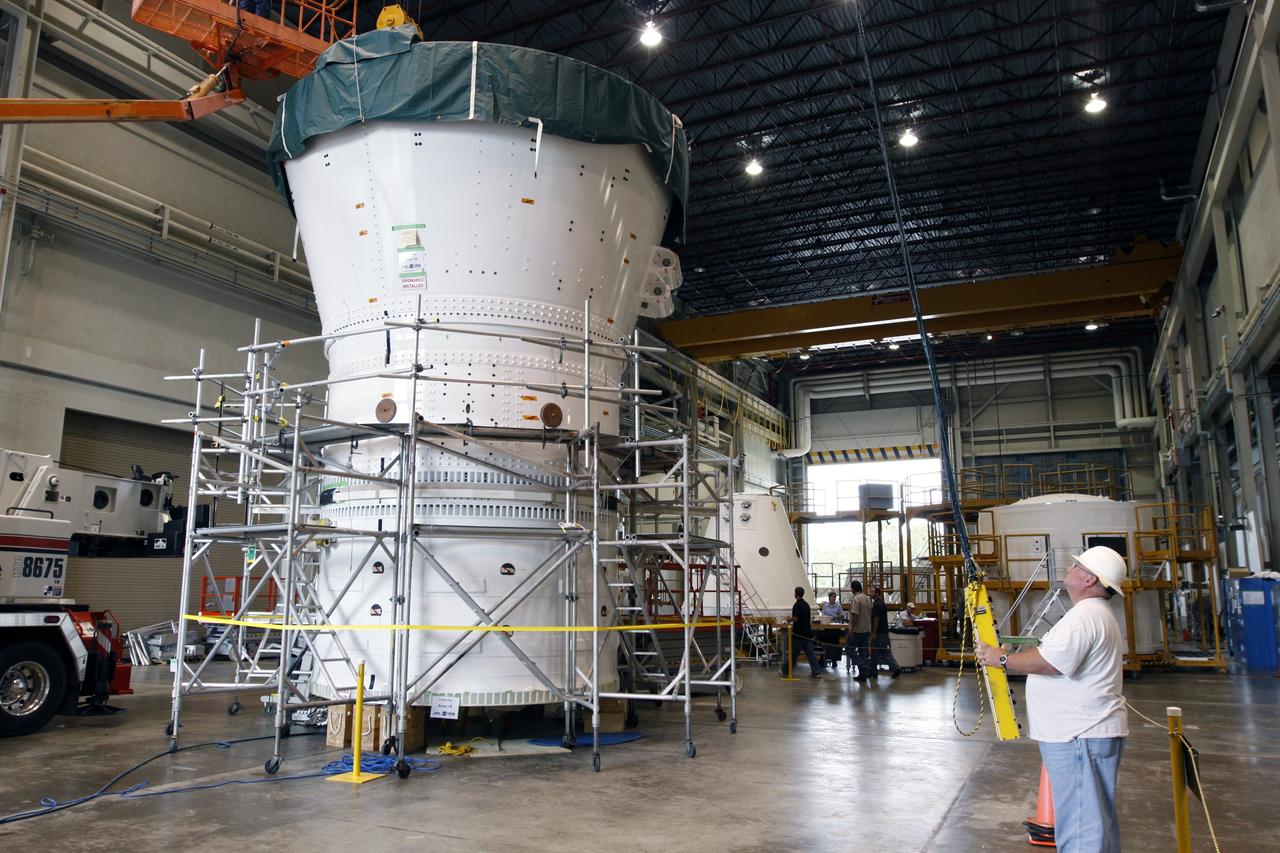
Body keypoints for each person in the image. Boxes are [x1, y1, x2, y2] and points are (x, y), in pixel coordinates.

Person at [975, 546, 1129, 853]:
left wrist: (1000, 659)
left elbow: (1049, 662)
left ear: (1089, 579)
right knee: (1094, 822)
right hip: (1083, 734)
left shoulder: (1085, 616)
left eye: (1076, 566)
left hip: (1079, 736)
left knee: (1082, 828)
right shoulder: (1095, 614)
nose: (1069, 569)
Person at [782, 586, 823, 679]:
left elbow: (795, 618)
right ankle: (816, 672)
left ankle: (786, 671)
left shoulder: (797, 605)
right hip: (807, 634)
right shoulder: (806, 605)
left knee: (793, 654)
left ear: (795, 594)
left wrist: (788, 619)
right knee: (811, 654)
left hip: (798, 635)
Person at [867, 586, 902, 678]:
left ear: (877, 593)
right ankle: (873, 671)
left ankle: (894, 668)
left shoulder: (877, 605)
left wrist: (874, 633)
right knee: (880, 652)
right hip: (883, 631)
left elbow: (876, 619)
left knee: (881, 652)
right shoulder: (880, 603)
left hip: (879, 633)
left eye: (872, 591)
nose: (870, 593)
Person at [845, 580, 873, 680]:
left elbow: (855, 614)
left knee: (848, 649)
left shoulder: (856, 599)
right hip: (867, 629)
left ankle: (864, 667)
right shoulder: (868, 598)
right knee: (863, 652)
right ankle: (863, 675)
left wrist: (852, 629)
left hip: (857, 630)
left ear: (853, 589)